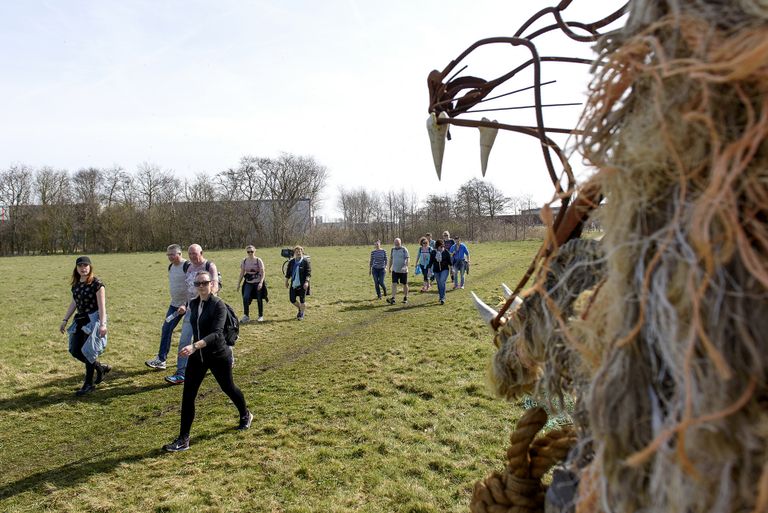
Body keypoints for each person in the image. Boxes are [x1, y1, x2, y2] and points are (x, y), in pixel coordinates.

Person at [162, 271, 252, 452]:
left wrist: (195, 346)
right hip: (198, 358)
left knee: (228, 388)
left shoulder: (219, 305)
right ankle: (183, 439)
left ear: (212, 284)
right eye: (198, 284)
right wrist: (183, 309)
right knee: (188, 396)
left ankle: (245, 414)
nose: (201, 286)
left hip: (218, 355)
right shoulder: (194, 303)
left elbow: (217, 333)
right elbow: (190, 307)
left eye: (204, 283)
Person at [165, 244, 220, 385]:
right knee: (184, 339)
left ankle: (225, 358)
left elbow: (215, 286)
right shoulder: (189, 267)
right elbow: (188, 291)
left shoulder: (209, 266)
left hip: (208, 309)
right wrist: (185, 304)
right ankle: (181, 373)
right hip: (191, 310)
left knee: (212, 338)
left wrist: (204, 298)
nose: (192, 257)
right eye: (189, 254)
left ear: (201, 252)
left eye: (194, 254)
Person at [59, 256, 111, 396]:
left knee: (88, 352)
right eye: (80, 266)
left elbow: (102, 306)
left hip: (93, 320)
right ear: (76, 268)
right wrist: (65, 319)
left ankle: (88, 384)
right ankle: (100, 368)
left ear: (90, 267)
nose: (83, 268)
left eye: (86, 265)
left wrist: (102, 324)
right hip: (80, 319)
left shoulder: (97, 284)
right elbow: (75, 302)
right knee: (75, 350)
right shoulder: (76, 284)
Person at [146, 244, 188, 371]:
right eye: (168, 255)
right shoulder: (170, 267)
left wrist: (186, 304)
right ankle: (161, 360)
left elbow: (193, 287)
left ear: (180, 254)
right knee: (166, 329)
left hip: (190, 305)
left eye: (172, 254)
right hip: (175, 305)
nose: (170, 257)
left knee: (196, 333)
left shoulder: (187, 266)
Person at [236, 245, 267, 323]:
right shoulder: (244, 261)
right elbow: (242, 272)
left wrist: (261, 282)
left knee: (259, 298)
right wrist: (238, 283)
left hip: (257, 282)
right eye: (248, 252)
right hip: (248, 282)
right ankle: (246, 315)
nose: (250, 253)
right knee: (245, 297)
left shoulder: (258, 260)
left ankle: (260, 315)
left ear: (254, 251)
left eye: (251, 251)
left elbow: (263, 272)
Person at [284, 245, 311, 320]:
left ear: (302, 252)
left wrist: (306, 282)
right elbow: (288, 273)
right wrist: (286, 281)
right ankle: (300, 308)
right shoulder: (292, 262)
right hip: (294, 284)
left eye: (300, 251)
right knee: (292, 299)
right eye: (297, 251)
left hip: (302, 284)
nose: (298, 253)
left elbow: (308, 273)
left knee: (302, 300)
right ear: (294, 253)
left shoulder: (305, 261)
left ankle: (301, 314)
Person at [429, 239, 452, 305]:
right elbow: (430, 262)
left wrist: (452, 269)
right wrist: (429, 269)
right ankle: (440, 296)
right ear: (437, 246)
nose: (442, 248)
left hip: (445, 269)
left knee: (442, 281)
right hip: (436, 270)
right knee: (439, 284)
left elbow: (450, 262)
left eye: (443, 246)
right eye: (441, 246)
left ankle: (443, 298)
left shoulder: (446, 252)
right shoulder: (433, 252)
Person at [387, 238, 410, 304]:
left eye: (398, 242)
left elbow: (407, 258)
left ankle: (405, 297)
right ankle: (393, 298)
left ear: (400, 243)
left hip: (403, 271)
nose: (396, 243)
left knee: (404, 284)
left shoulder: (404, 249)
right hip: (395, 270)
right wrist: (389, 268)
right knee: (394, 284)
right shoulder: (392, 249)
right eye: (395, 242)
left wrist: (406, 266)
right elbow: (391, 259)